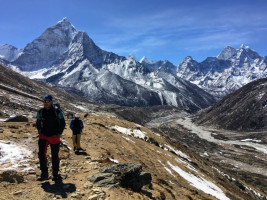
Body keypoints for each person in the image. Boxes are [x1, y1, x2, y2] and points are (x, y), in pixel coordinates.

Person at [36, 94, 66, 181]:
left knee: (55, 156)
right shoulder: (40, 112)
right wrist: (39, 130)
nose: (45, 103)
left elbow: (63, 123)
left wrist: (59, 133)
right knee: (41, 154)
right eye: (44, 101)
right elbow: (37, 122)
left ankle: (55, 174)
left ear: (51, 101)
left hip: (54, 136)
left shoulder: (58, 112)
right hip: (43, 136)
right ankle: (44, 174)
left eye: (47, 101)